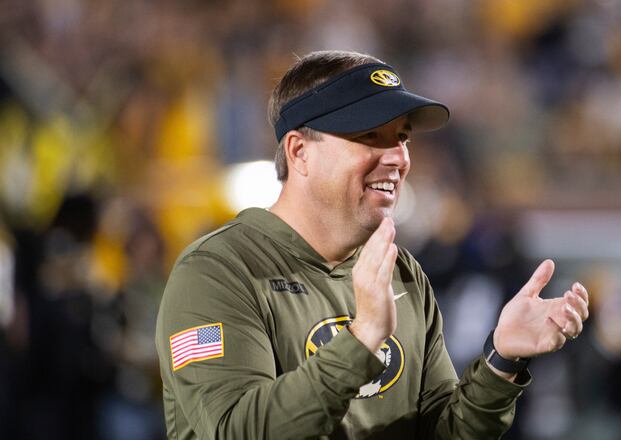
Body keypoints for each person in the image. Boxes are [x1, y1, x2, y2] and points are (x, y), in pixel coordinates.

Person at [155, 50, 590, 439]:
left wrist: (502, 360)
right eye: (369, 135)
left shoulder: (402, 273)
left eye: (401, 136)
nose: (398, 156)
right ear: (299, 152)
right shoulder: (216, 272)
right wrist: (361, 339)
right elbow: (236, 430)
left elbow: (443, 431)